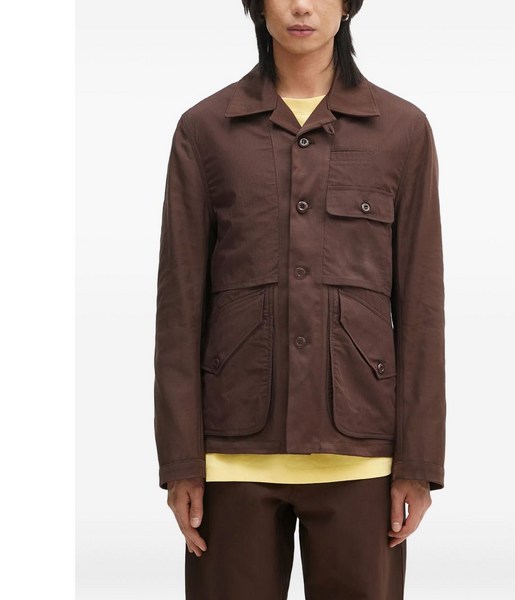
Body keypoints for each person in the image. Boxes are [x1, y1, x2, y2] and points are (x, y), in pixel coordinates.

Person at [153, 1, 446, 598]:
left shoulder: (402, 131)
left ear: (348, 6)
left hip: (363, 457)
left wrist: (418, 464)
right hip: (231, 457)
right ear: (257, 6)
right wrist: (181, 460)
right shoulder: (205, 130)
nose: (302, 6)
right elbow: (179, 308)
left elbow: (421, 308)